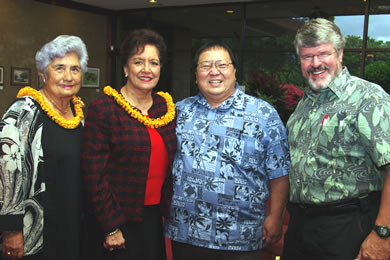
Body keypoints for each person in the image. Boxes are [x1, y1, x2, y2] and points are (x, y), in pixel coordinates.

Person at [164, 41, 290, 260]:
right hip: (185, 233)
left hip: (240, 236)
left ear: (234, 70)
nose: (214, 72)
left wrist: (276, 217)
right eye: (205, 66)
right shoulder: (178, 112)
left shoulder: (263, 114)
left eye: (222, 64)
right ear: (196, 74)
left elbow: (279, 172)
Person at [283, 18, 390, 260]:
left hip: (349, 226)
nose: (315, 63)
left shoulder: (368, 98)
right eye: (307, 56)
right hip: (302, 226)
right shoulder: (303, 105)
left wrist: (383, 233)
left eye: (323, 54)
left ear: (340, 53)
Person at [81, 28, 177, 260]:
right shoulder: (104, 109)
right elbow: (94, 176)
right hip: (117, 221)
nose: (147, 69)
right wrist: (111, 227)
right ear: (125, 68)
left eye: (153, 63)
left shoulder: (165, 108)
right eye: (138, 62)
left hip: (155, 219)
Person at [0, 35, 88, 260]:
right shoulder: (23, 112)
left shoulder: (80, 117)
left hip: (73, 226)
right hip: (34, 231)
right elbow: (6, 171)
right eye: (59, 68)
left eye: (75, 69)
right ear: (43, 74)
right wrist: (10, 230)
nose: (68, 76)